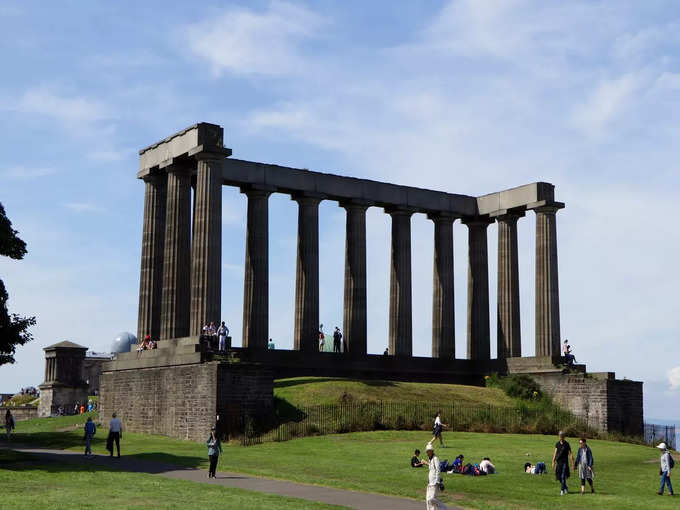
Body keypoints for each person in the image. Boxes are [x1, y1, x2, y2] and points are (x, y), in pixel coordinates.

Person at [422, 443, 447, 509]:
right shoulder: (430, 459)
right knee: (428, 499)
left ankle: (443, 508)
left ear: (432, 451)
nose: (428, 452)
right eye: (427, 451)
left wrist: (437, 481)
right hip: (430, 482)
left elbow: (438, 470)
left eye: (429, 451)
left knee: (432, 499)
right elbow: (431, 468)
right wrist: (426, 463)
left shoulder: (435, 458)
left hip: (434, 482)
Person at [552, 431, 575, 495]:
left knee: (563, 476)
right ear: (559, 437)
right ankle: (565, 487)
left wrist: (572, 464)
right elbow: (555, 453)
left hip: (565, 462)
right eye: (560, 436)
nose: (561, 438)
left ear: (564, 437)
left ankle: (562, 490)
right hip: (559, 463)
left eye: (562, 436)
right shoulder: (557, 444)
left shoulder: (567, 444)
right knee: (559, 477)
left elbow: (570, 454)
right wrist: (553, 462)